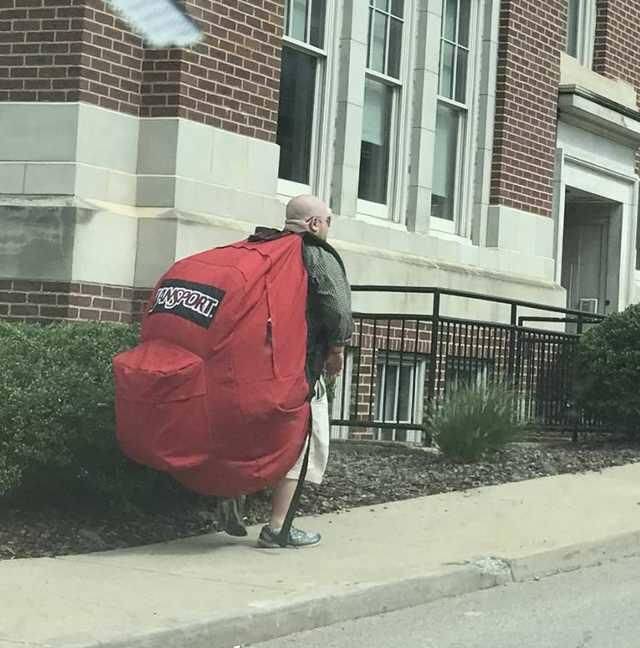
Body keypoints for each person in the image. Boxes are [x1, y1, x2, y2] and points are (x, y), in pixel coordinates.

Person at [218, 195, 353, 548]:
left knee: (258, 436)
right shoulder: (316, 254)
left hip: (255, 365)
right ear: (313, 224)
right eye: (328, 220)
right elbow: (337, 307)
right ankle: (278, 527)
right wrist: (337, 349)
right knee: (302, 441)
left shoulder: (266, 248)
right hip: (298, 369)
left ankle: (231, 492)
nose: (328, 226)